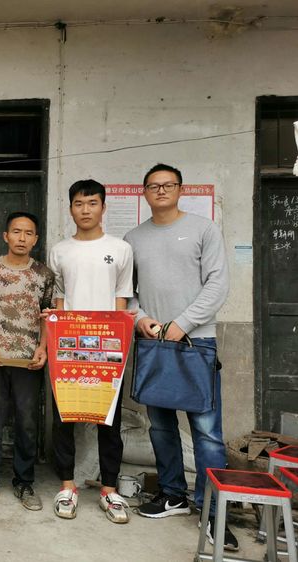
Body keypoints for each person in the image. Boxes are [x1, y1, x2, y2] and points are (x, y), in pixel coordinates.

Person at [124, 163, 236, 550]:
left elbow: (218, 283)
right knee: (160, 425)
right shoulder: (133, 238)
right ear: (144, 192)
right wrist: (141, 318)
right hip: (154, 341)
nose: (160, 190)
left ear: (180, 189)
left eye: (168, 184)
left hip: (196, 343)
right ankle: (173, 494)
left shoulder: (204, 229)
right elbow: (128, 292)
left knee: (207, 431)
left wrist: (184, 323)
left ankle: (213, 509)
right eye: (153, 185)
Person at [46, 179, 134, 523]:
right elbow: (59, 298)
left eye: (92, 203)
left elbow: (122, 298)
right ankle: (67, 487)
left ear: (103, 207)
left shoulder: (121, 249)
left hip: (108, 345)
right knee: (64, 418)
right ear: (70, 208)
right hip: (69, 345)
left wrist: (119, 343)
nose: (86, 210)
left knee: (109, 420)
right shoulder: (59, 251)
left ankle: (109, 491)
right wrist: (57, 333)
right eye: (79, 204)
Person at [0, 211, 55, 511]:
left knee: (27, 422)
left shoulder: (43, 275)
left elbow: (48, 316)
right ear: (6, 236)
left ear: (35, 239)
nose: (22, 238)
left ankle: (24, 481)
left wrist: (43, 348)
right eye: (16, 232)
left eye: (28, 233)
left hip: (29, 361)